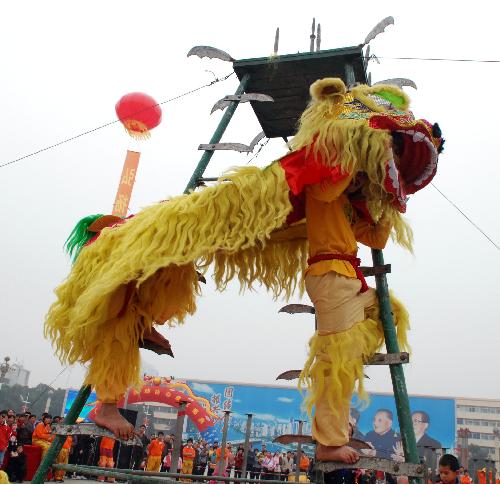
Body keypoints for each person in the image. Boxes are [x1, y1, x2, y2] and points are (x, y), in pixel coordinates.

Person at [45, 78, 442, 452]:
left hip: (343, 274)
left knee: (375, 324)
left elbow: (375, 237)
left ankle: (333, 434)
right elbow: (325, 177)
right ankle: (331, 440)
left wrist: (386, 199)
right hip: (331, 274)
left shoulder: (343, 197)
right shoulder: (324, 179)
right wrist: (363, 172)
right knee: (334, 355)